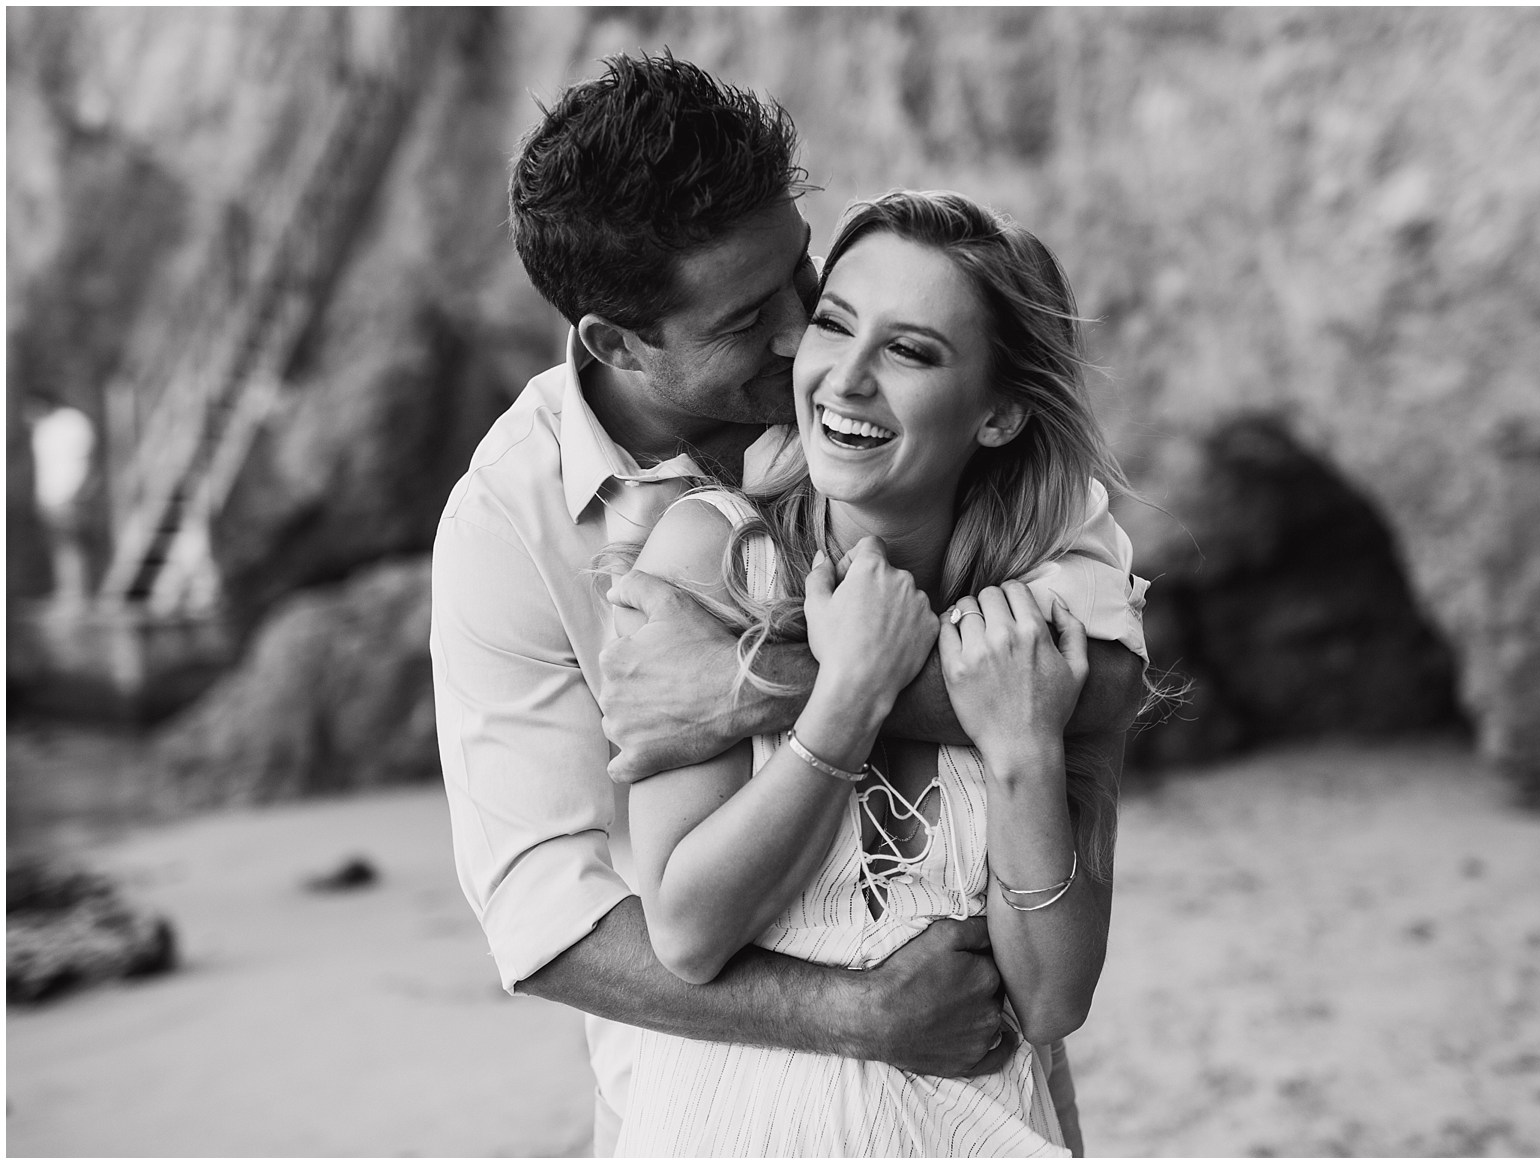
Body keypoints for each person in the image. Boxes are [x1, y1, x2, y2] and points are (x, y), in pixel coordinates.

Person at [429, 53, 1149, 1156]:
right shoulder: (513, 528)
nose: (803, 338)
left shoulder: (973, 470)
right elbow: (548, 920)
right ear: (617, 344)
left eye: (802, 277)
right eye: (747, 318)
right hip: (723, 1107)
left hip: (976, 1108)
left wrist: (765, 672)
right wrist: (857, 1017)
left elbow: (1096, 686)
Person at [607, 188, 1135, 1157]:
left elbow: (1054, 1001)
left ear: (1001, 413)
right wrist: (847, 696)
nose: (846, 379)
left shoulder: (1041, 626)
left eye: (910, 350)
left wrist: (1020, 747)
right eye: (836, 326)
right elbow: (687, 930)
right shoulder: (711, 559)